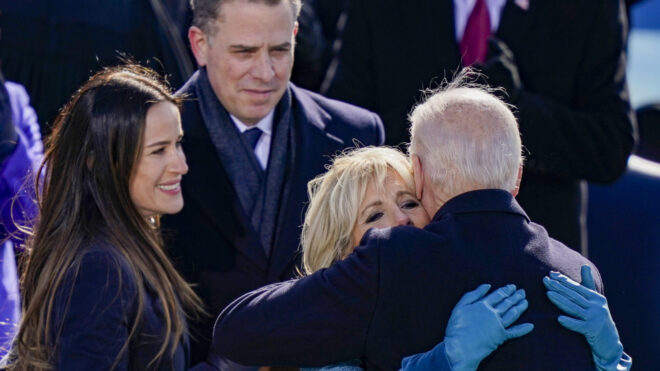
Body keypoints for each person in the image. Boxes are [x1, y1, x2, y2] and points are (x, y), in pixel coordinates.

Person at [212, 74, 631, 370]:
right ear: (518, 175)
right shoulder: (580, 274)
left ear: (421, 173)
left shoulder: (392, 262)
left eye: (408, 201)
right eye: (374, 215)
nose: (399, 222)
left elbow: (237, 331)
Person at [160, 0, 384, 364]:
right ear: (199, 44)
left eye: (279, 50)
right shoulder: (147, 144)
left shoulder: (355, 134)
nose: (265, 72)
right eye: (244, 52)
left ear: (295, 36)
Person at [324, 0, 636, 253]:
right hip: (409, 270)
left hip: (535, 270)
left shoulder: (590, 8)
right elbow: (341, 132)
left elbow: (610, 146)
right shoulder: (380, 7)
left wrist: (515, 109)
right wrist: (439, 127)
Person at [2, 65, 210, 370]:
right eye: (158, 151)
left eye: (177, 143)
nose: (181, 164)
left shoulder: (122, 248)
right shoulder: (99, 270)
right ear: (100, 163)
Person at [301, 146, 533, 371]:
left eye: (410, 203)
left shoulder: (478, 279)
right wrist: (448, 358)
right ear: (344, 254)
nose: (402, 218)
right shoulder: (330, 334)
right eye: (375, 215)